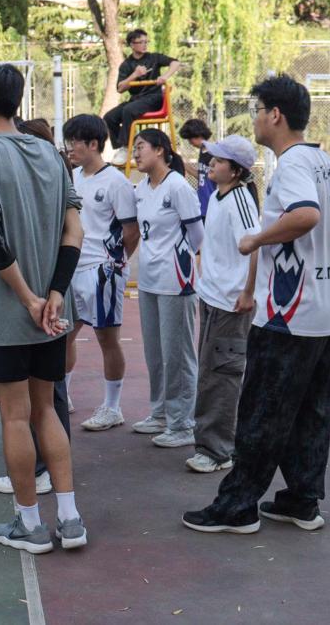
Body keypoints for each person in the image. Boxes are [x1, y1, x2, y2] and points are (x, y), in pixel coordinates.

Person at [183, 75, 330, 533]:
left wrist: (258, 239)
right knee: (311, 411)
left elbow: (306, 214)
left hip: (289, 312)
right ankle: (301, 500)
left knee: (261, 411)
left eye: (257, 110)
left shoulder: (291, 165)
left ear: (275, 115)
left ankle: (237, 506)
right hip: (325, 310)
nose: (254, 119)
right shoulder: (325, 161)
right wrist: (316, 232)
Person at [0, 60, 87, 555]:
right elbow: (74, 230)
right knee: (46, 409)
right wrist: (54, 293)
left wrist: (28, 297)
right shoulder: (51, 154)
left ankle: (30, 523)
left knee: (15, 418)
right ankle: (70, 520)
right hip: (53, 312)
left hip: (12, 313)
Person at [186, 135, 260, 474]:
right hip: (212, 296)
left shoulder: (239, 200)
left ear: (236, 170)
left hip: (231, 303)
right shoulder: (217, 196)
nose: (211, 164)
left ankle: (218, 451)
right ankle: (209, 441)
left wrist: (248, 292)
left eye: (218, 160)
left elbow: (254, 246)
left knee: (222, 375)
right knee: (210, 372)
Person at [61, 114, 139, 432]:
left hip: (102, 270)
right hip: (73, 268)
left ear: (93, 144)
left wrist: (116, 263)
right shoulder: (73, 177)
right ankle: (62, 394)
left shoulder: (116, 182)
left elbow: (131, 231)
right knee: (65, 335)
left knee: (107, 339)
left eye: (74, 142)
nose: (70, 148)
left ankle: (112, 407)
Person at [130, 128, 204, 449]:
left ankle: (183, 423)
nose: (135, 153)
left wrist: (186, 265)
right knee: (155, 352)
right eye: (134, 148)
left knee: (178, 354)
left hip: (176, 280)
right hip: (149, 280)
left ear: (160, 150)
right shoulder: (141, 188)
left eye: (141, 147)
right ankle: (160, 413)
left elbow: (198, 237)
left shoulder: (177, 186)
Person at [103, 29, 182, 166]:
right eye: (141, 42)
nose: (144, 45)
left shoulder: (154, 58)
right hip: (136, 99)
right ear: (132, 45)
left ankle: (127, 147)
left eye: (146, 42)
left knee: (128, 110)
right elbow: (120, 88)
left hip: (153, 98)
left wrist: (165, 76)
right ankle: (124, 146)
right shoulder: (126, 65)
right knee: (109, 117)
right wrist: (135, 75)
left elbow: (176, 63)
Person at [179, 119, 217, 221]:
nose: (189, 142)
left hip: (212, 203)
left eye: (190, 138)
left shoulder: (214, 152)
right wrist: (184, 165)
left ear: (198, 135)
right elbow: (202, 176)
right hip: (203, 204)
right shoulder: (202, 151)